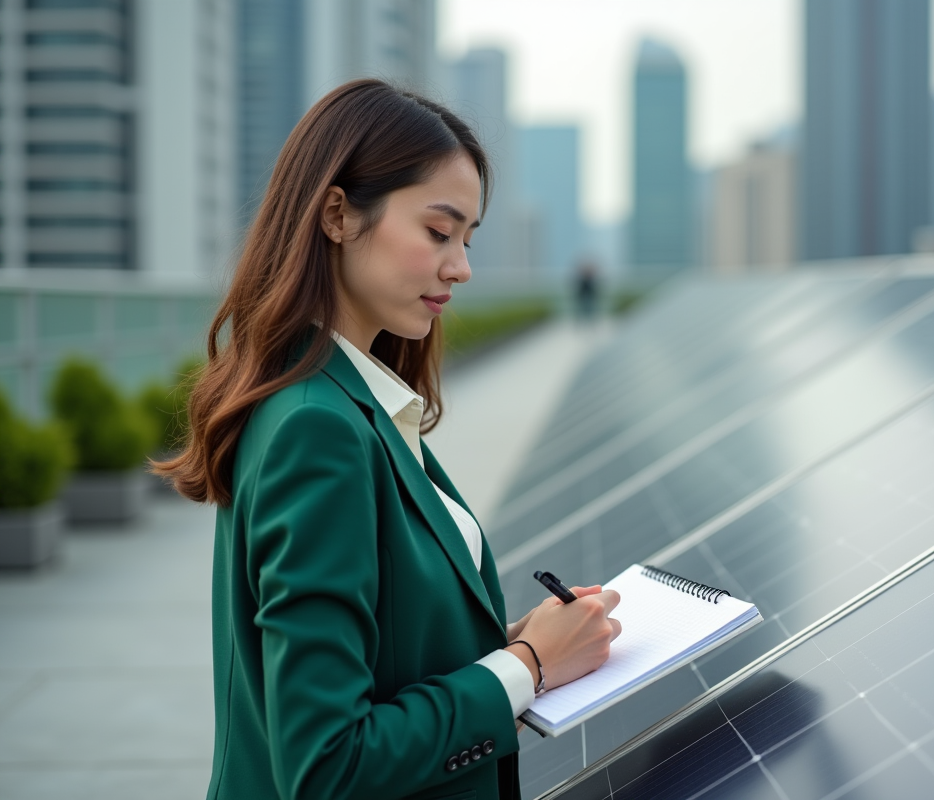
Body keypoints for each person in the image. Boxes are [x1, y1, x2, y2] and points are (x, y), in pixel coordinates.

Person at [157, 79, 622, 800]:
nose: (460, 267)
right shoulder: (318, 427)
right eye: (439, 232)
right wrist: (527, 666)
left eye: (467, 239)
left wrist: (502, 645)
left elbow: (380, 653)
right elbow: (328, 765)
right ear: (337, 214)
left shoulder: (346, 401)